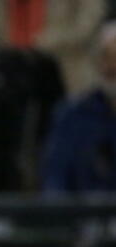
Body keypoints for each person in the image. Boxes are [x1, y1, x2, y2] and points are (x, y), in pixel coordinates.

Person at [42, 23, 116, 193]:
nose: (112, 67)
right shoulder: (71, 115)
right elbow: (55, 180)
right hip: (82, 215)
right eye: (107, 57)